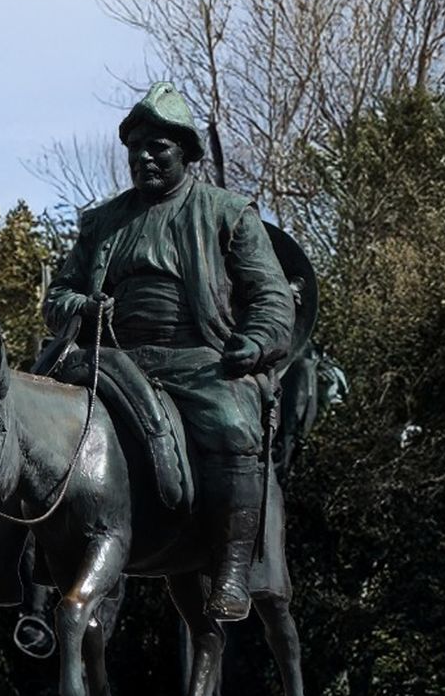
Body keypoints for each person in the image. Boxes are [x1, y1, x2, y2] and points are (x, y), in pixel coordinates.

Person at [43, 82, 295, 620]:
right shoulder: (101, 222)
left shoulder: (227, 213)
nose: (144, 157)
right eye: (136, 147)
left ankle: (231, 572)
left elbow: (272, 296)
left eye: (158, 147)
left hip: (199, 359)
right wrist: (81, 306)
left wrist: (252, 343)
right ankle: (15, 562)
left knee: (233, 427)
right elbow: (58, 296)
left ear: (185, 153)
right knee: (26, 420)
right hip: (110, 360)